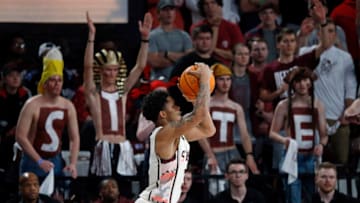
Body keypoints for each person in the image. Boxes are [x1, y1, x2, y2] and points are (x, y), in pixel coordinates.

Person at [135, 62, 216, 203]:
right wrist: (204, 81)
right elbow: (199, 114)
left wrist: (195, 99)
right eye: (172, 106)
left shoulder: (177, 135)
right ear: (163, 114)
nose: (178, 107)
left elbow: (208, 129)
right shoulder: (163, 134)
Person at [83, 12, 152, 176]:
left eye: (114, 70)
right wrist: (91, 38)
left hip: (122, 145)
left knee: (124, 193)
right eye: (108, 70)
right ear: (101, 71)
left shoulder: (122, 91)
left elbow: (140, 66)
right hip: (103, 145)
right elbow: (87, 68)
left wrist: (145, 40)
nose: (111, 74)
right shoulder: (94, 93)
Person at [299, 19, 356, 165]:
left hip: (338, 116)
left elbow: (350, 89)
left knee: (342, 162)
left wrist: (347, 113)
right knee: (311, 160)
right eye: (325, 31)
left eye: (331, 31)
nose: (328, 35)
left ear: (336, 35)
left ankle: (339, 189)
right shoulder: (306, 53)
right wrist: (301, 37)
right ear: (318, 34)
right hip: (311, 116)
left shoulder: (345, 57)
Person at [16, 47, 80, 179]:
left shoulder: (68, 105)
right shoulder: (32, 104)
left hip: (55, 158)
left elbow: (75, 137)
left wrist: (73, 162)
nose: (57, 84)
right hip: (33, 159)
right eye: (52, 80)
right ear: (45, 83)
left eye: (59, 80)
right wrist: (39, 160)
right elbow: (20, 136)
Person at [269, 67, 328, 203]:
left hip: (311, 157)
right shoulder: (284, 105)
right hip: (292, 157)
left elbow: (324, 134)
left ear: (310, 83)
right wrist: (284, 140)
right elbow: (272, 132)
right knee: (293, 198)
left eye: (305, 80)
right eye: (298, 81)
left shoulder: (317, 104)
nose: (302, 84)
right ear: (293, 84)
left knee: (313, 197)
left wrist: (321, 144)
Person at [208, 63, 259, 175]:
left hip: (232, 152)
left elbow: (244, 134)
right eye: (221, 79)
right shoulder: (207, 104)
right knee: (214, 187)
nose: (225, 83)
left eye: (228, 79)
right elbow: (200, 134)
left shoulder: (236, 107)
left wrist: (249, 155)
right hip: (214, 152)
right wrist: (209, 154)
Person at [0, 62, 32, 202]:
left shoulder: (26, 94)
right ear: (4, 78)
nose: (15, 79)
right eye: (12, 76)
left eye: (18, 76)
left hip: (20, 136)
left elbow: (31, 117)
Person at [147, 0, 193, 82]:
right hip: (159, 80)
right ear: (158, 14)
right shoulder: (152, 36)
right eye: (165, 9)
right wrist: (180, 59)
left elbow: (189, 60)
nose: (169, 12)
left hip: (181, 80)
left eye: (171, 9)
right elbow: (154, 62)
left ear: (175, 13)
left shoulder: (184, 36)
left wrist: (166, 54)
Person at [190, 0, 244, 66]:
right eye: (206, 4)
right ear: (202, 7)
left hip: (227, 68)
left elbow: (238, 55)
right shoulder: (197, 27)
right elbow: (198, 53)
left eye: (213, 2)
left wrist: (214, 49)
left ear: (219, 6)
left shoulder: (232, 27)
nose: (210, 6)